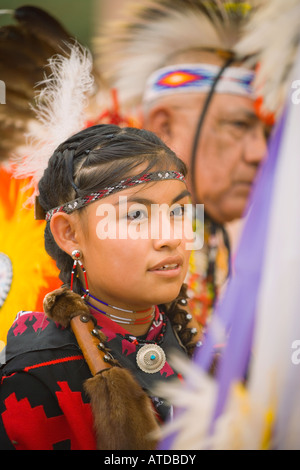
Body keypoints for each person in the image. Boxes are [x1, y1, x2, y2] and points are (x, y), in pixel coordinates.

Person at [0, 124, 198, 450]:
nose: (172, 237)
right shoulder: (33, 380)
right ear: (70, 234)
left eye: (178, 211)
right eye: (136, 214)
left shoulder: (209, 350)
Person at [95, 0, 269, 332]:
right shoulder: (93, 241)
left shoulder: (206, 235)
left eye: (266, 133)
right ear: (164, 127)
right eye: (238, 126)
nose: (259, 152)